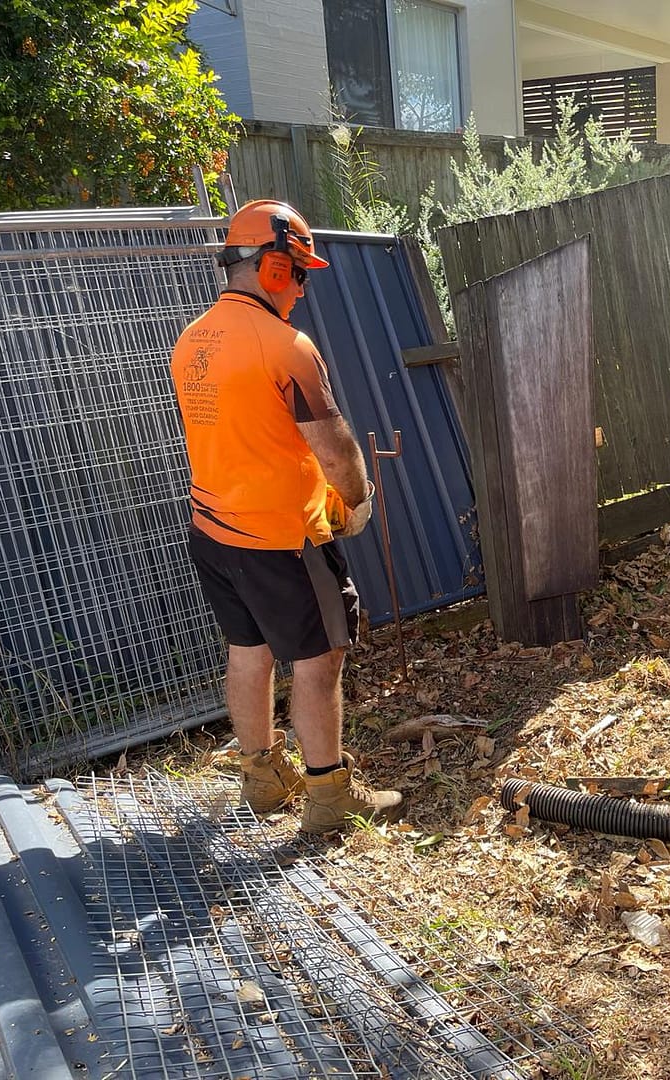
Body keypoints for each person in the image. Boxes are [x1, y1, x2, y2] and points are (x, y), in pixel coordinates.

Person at [170, 198, 402, 834]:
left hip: (214, 530)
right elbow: (335, 448)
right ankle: (329, 797)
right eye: (299, 273)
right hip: (282, 537)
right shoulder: (287, 347)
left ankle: (262, 778)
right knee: (320, 656)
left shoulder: (191, 342)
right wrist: (355, 502)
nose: (302, 289)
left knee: (248, 649)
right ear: (274, 268)